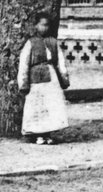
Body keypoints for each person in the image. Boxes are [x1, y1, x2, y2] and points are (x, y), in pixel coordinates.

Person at [17, 15, 70, 145]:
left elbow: (60, 62)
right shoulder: (30, 43)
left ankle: (48, 133)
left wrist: (64, 78)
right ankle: (38, 135)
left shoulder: (53, 42)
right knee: (37, 106)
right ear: (36, 26)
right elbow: (24, 64)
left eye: (47, 25)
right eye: (42, 25)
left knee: (50, 106)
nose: (44, 28)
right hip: (35, 79)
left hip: (51, 78)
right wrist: (23, 83)